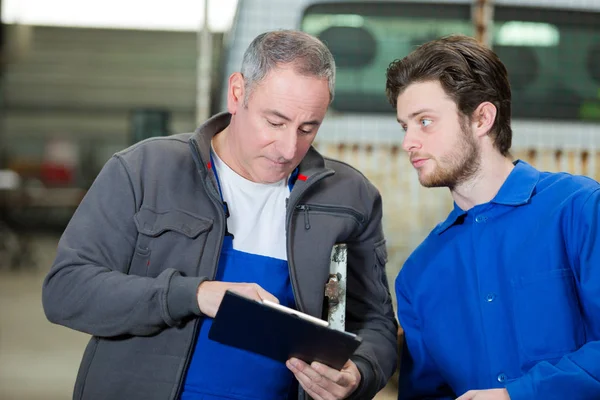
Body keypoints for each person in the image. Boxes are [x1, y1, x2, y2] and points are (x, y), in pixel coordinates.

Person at [42, 30, 398, 400]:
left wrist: (358, 373)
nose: (289, 147)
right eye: (275, 122)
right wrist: (194, 294)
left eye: (308, 128)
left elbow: (376, 323)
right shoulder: (145, 170)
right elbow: (66, 290)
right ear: (237, 93)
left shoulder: (350, 197)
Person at [385, 35, 600, 400]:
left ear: (482, 118)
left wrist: (516, 395)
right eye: (405, 126)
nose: (408, 143)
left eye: (425, 121)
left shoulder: (578, 209)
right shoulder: (417, 275)